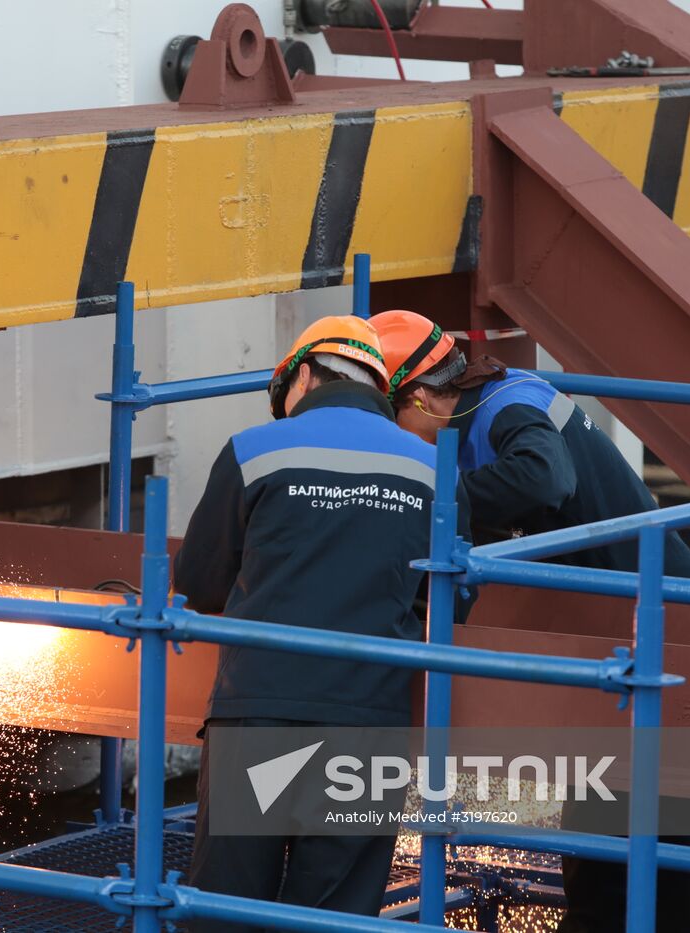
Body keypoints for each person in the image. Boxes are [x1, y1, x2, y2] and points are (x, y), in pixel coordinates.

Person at [370, 309, 690, 933]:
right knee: (604, 850)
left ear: (418, 396)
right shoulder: (477, 413)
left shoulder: (509, 402)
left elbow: (543, 479)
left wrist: (427, 500)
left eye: (390, 421)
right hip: (613, 636)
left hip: (665, 637)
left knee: (642, 851)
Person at [173, 316, 472, 931]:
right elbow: (448, 602)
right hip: (368, 721)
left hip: (257, 710)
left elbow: (200, 582)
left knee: (226, 905)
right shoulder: (435, 470)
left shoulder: (254, 450)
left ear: (303, 375)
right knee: (335, 913)